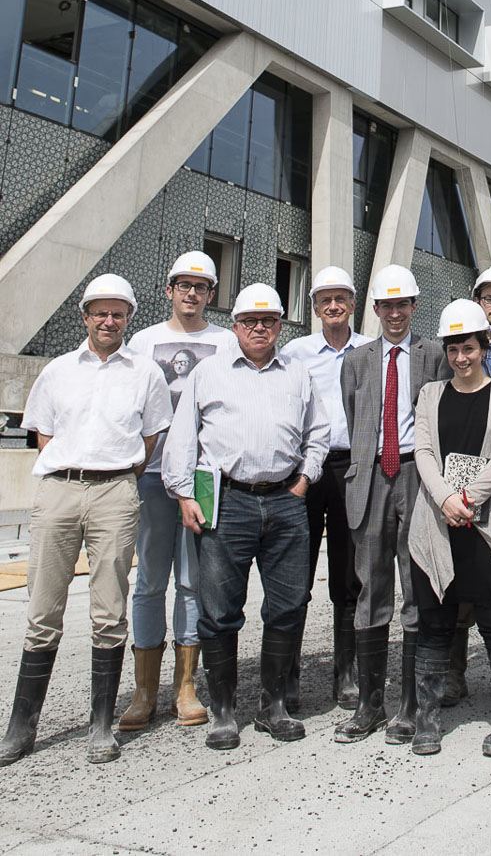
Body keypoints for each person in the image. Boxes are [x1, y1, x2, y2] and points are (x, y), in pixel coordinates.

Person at [0, 275, 172, 766]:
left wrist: (116, 475)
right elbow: (44, 435)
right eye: (100, 312)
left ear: (129, 319)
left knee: (109, 609)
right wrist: (71, 472)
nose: (109, 321)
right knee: (42, 608)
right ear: (86, 316)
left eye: (118, 313)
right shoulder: (58, 371)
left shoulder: (145, 373)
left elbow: (151, 436)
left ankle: (101, 725)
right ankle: (21, 726)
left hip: (116, 490)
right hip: (59, 489)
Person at [161, 283, 330, 750]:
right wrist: (183, 495)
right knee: (218, 610)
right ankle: (223, 711)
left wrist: (302, 482)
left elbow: (318, 432)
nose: (260, 328)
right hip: (227, 502)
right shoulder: (209, 372)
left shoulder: (297, 373)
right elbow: (183, 437)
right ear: (234, 325)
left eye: (269, 321)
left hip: (285, 501)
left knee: (290, 604)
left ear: (281, 325)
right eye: (250, 321)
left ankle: (273, 704)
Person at [119, 251, 239, 734]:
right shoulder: (144, 341)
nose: (192, 294)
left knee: (193, 579)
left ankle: (185, 685)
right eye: (183, 285)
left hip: (203, 476)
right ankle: (144, 690)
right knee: (149, 580)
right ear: (168, 290)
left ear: (212, 295)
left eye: (202, 287)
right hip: (151, 474)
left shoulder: (225, 342)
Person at [408, 300, 491, 757]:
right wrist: (444, 498)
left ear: (484, 347)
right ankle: (427, 720)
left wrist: (467, 498)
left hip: (485, 523)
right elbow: (423, 451)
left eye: (470, 348)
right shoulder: (430, 395)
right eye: (454, 349)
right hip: (438, 523)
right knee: (435, 620)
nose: (461, 357)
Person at [335, 264, 449, 744]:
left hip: (416, 475)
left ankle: (409, 705)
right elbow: (353, 414)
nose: (396, 313)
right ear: (375, 310)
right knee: (370, 588)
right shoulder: (357, 361)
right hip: (371, 478)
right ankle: (369, 704)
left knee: (414, 585)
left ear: (414, 307)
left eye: (403, 304)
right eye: (387, 305)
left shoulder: (435, 355)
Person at [438, 263, 491, 708]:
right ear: (477, 301)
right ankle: (452, 673)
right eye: (489, 298)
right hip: (454, 480)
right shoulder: (457, 338)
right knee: (454, 583)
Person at [282, 265, 365, 713]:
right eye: (324, 300)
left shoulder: (369, 350)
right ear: (314, 308)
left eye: (341, 299)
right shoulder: (296, 353)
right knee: (296, 573)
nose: (333, 306)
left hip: (353, 468)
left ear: (353, 304)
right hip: (306, 472)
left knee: (349, 575)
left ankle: (346, 673)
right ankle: (288, 674)